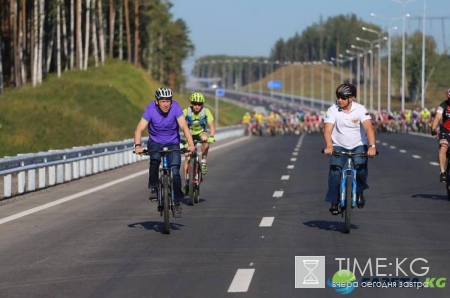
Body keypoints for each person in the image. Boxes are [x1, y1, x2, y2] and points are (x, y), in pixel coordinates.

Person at [134, 87, 195, 212]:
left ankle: (177, 201)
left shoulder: (176, 108)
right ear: (157, 101)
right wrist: (138, 146)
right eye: (163, 101)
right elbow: (139, 129)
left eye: (168, 101)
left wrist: (191, 144)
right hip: (155, 142)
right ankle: (154, 188)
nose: (166, 104)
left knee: (175, 171)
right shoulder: (150, 109)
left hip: (173, 143)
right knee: (155, 161)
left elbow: (184, 126)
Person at [323, 83, 377, 215]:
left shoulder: (360, 109)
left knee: (361, 169)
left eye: (343, 97)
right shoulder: (332, 110)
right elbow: (327, 130)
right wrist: (329, 146)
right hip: (338, 146)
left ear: (351, 98)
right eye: (338, 97)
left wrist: (372, 146)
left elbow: (369, 128)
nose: (339, 100)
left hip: (358, 145)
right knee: (335, 172)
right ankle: (334, 202)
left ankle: (359, 191)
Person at [182, 92, 215, 193]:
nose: (197, 106)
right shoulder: (186, 111)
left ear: (202, 104)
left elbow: (211, 125)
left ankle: (204, 161)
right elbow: (179, 123)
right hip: (189, 135)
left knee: (205, 138)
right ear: (191, 103)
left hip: (201, 133)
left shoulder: (206, 111)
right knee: (187, 156)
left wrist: (212, 136)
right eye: (195, 103)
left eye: (199, 104)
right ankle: (187, 183)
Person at [430, 88, 450, 182]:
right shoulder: (443, 105)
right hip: (445, 131)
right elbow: (438, 117)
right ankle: (442, 172)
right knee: (443, 147)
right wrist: (433, 128)